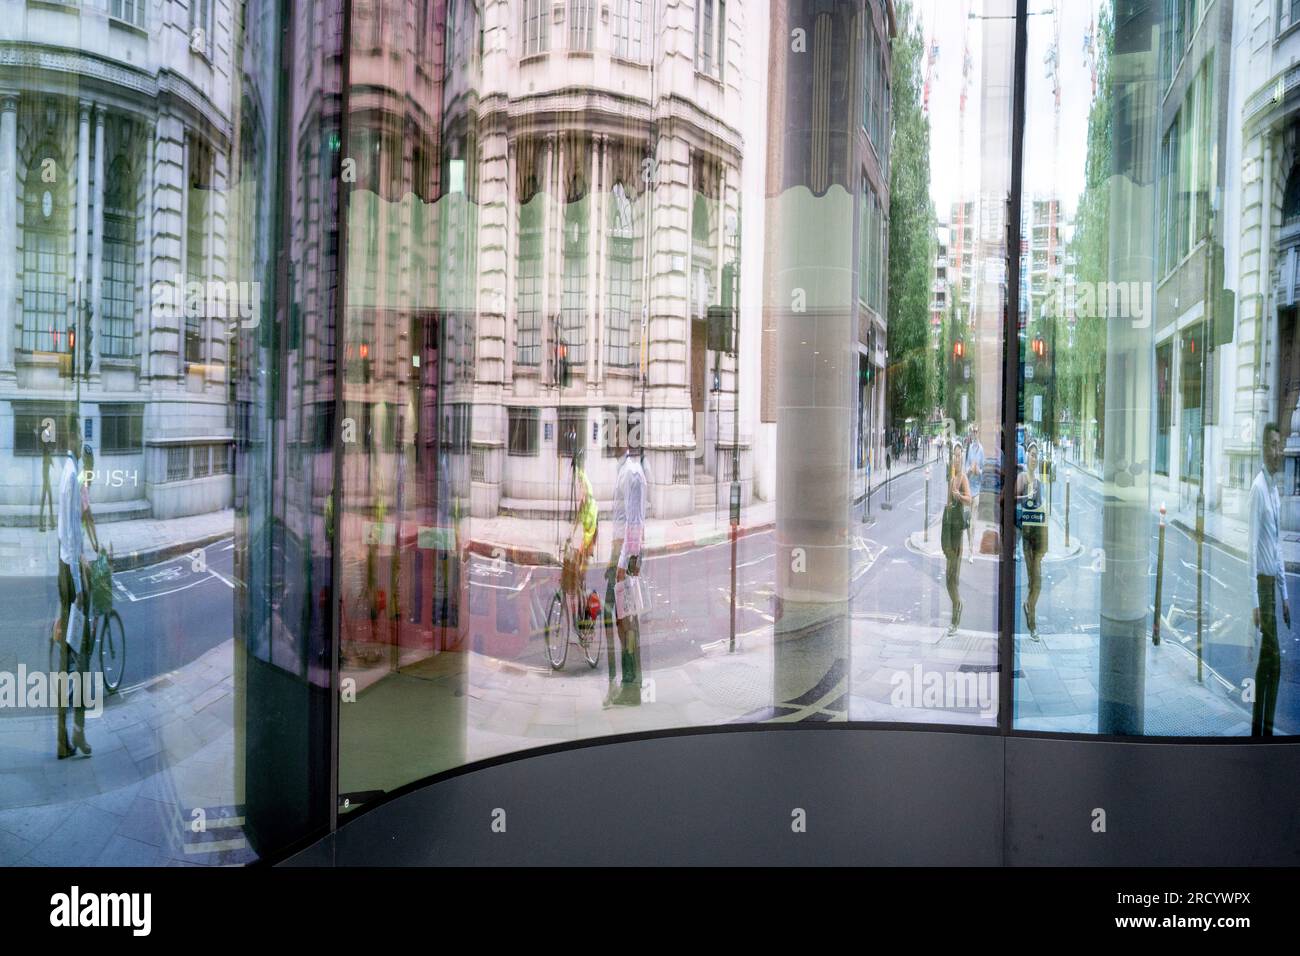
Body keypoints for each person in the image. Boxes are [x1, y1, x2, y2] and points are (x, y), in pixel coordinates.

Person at [55, 433, 98, 758]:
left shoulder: (67, 471)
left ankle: (64, 736)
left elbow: (70, 533)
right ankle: (74, 734)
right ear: (73, 438)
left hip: (65, 566)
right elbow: (71, 532)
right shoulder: (73, 474)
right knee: (80, 655)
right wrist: (80, 588)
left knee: (69, 659)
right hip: (71, 574)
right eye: (81, 436)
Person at [1248, 422, 1290, 736]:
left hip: (1271, 588)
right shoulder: (1258, 489)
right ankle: (1266, 728)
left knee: (1266, 662)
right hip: (1261, 587)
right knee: (1274, 661)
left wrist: (1286, 597)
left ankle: (1258, 729)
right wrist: (1255, 603)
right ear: (1265, 448)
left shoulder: (1273, 489)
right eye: (1274, 445)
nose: (1279, 451)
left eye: (1280, 445)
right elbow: (1251, 549)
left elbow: (1275, 548)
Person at [604, 423, 646, 707]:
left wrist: (622, 564)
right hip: (618, 555)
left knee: (625, 622)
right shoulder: (624, 470)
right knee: (622, 621)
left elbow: (634, 522)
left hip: (625, 559)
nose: (608, 438)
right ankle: (629, 682)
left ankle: (631, 685)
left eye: (613, 433)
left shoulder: (631, 474)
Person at [1016, 440, 1047, 642]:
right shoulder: (1021, 478)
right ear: (1026, 456)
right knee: (1034, 581)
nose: (1034, 458)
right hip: (1026, 536)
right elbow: (1012, 500)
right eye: (1031, 453)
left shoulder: (1039, 483)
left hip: (1037, 534)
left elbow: (1040, 508)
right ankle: (1033, 625)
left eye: (1037, 455)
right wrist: (1023, 498)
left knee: (1038, 583)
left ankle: (1028, 605)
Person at [941, 440, 971, 636]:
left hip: (957, 533)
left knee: (953, 576)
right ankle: (957, 605)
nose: (956, 458)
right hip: (948, 530)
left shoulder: (963, 477)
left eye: (959, 455)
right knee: (948, 578)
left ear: (963, 457)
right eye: (954, 455)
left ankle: (956, 614)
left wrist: (959, 495)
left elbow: (970, 499)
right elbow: (947, 504)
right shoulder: (951, 477)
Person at [965, 424, 985, 562]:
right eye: (973, 431)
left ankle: (971, 552)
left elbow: (984, 470)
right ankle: (969, 546)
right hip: (968, 490)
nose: (974, 434)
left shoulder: (981, 450)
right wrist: (969, 470)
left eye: (976, 431)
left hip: (976, 490)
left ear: (979, 433)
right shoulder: (969, 449)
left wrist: (978, 471)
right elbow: (965, 467)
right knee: (967, 522)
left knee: (973, 524)